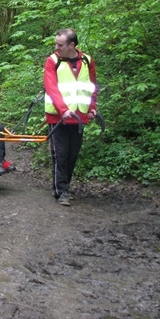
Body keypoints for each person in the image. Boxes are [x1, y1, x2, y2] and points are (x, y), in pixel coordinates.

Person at [44, 28, 98, 206]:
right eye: (56, 44)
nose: (56, 47)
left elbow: (91, 86)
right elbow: (51, 87)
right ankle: (62, 191)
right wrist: (62, 110)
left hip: (79, 116)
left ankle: (62, 186)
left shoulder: (87, 61)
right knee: (60, 154)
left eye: (60, 45)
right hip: (58, 117)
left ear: (71, 45)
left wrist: (92, 108)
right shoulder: (52, 61)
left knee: (72, 154)